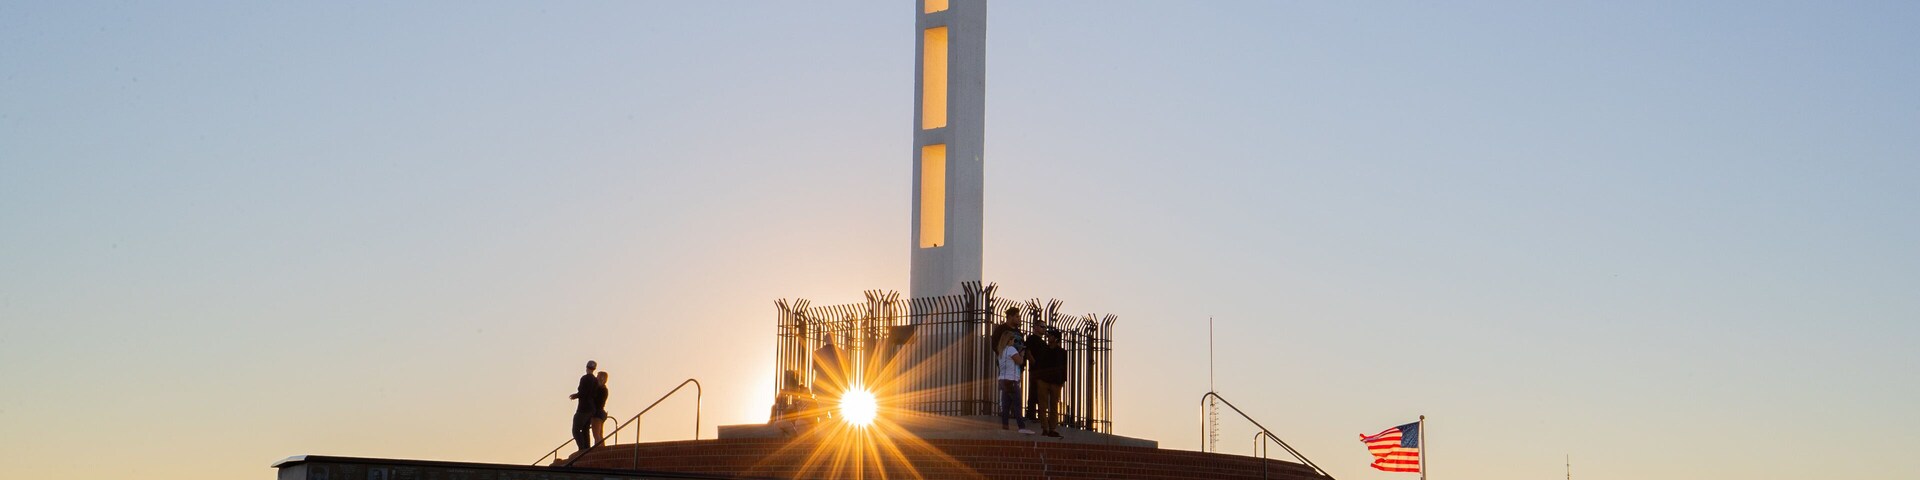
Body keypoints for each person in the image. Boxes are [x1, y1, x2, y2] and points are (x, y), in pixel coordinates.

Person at [996, 330, 1032, 434]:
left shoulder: (1001, 351)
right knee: (1017, 404)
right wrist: (1022, 354)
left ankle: (1005, 426)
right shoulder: (1011, 349)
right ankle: (1021, 427)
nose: (1014, 341)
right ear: (1009, 340)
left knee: (1006, 405)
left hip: (1003, 380)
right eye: (1013, 339)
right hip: (1011, 380)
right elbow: (1019, 361)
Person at [1034, 328, 1068, 438]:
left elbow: (1065, 368)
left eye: (1051, 336)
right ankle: (1045, 428)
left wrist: (1062, 381)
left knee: (1054, 406)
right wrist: (1038, 379)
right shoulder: (1043, 349)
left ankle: (1052, 429)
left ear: (1056, 338)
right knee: (1042, 405)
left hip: (1056, 382)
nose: (1048, 337)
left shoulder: (1062, 352)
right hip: (1043, 381)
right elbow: (1038, 364)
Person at [565, 360, 599, 455]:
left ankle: (582, 449)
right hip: (591, 408)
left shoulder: (585, 378)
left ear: (587, 367)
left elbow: (583, 392)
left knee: (576, 429)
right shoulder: (595, 380)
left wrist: (576, 395)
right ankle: (587, 449)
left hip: (583, 408)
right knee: (585, 430)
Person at [812, 339, 845, 418]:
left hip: (821, 387)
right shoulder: (841, 353)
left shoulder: (817, 352)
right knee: (836, 415)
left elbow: (814, 367)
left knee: (822, 413)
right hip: (836, 387)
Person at [589, 371, 611, 446]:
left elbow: (596, 401)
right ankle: (602, 448)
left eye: (598, 376)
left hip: (597, 413)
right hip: (600, 412)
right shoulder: (604, 389)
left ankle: (598, 449)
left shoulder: (601, 389)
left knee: (596, 434)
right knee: (600, 434)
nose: (596, 377)